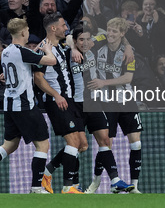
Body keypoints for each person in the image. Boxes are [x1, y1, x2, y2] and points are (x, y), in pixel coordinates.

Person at [0, 18, 56, 194]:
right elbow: (51, 61)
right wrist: (47, 50)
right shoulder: (22, 52)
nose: (28, 32)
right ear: (23, 32)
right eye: (28, 29)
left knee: (10, 144)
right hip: (24, 105)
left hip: (9, 104)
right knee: (43, 145)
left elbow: (17, 70)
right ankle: (36, 187)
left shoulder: (6, 51)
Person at [44, 25, 134, 194]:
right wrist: (71, 47)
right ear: (76, 41)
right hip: (76, 105)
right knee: (80, 145)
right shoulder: (67, 53)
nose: (85, 43)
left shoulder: (97, 46)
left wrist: (128, 47)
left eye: (87, 39)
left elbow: (117, 36)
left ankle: (115, 181)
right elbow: (68, 39)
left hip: (94, 103)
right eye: (81, 40)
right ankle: (51, 172)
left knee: (105, 141)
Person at [85, 17, 143, 193]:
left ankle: (135, 186)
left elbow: (128, 78)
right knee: (106, 143)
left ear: (122, 34)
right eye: (109, 30)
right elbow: (84, 42)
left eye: (114, 31)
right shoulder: (100, 41)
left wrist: (104, 82)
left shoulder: (129, 52)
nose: (110, 34)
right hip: (106, 102)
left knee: (136, 143)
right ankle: (95, 181)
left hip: (126, 99)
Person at [32, 13, 84, 194]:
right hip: (56, 101)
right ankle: (68, 186)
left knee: (82, 144)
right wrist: (56, 95)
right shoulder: (43, 49)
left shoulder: (59, 46)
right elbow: (38, 78)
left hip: (68, 99)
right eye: (63, 25)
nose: (65, 28)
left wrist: (73, 46)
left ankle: (47, 172)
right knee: (73, 141)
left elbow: (70, 37)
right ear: (53, 28)